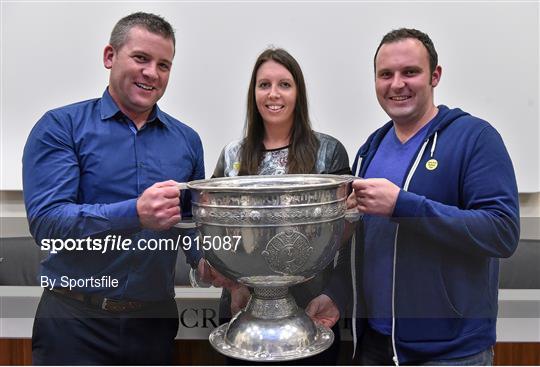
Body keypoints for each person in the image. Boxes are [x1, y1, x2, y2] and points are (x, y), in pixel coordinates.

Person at [307, 28, 520, 365]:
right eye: (386, 74)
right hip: (374, 346)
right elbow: (361, 244)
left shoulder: (475, 138)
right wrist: (336, 295)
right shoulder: (369, 150)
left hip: (451, 353)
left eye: (410, 72)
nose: (397, 84)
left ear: (434, 76)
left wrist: (402, 205)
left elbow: (502, 232)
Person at [22, 12, 213, 365]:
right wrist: (135, 213)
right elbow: (47, 224)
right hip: (75, 321)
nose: (152, 73)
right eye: (141, 58)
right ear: (110, 56)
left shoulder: (187, 141)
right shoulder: (61, 127)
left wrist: (208, 263)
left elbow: (191, 226)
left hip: (153, 325)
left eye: (164, 65)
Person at [212, 47, 351, 364]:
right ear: (254, 93)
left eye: (284, 84)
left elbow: (345, 233)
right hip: (242, 313)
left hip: (310, 315)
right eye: (264, 85)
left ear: (298, 92)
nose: (273, 94)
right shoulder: (232, 156)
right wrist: (232, 283)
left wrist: (337, 295)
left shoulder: (328, 152)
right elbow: (216, 231)